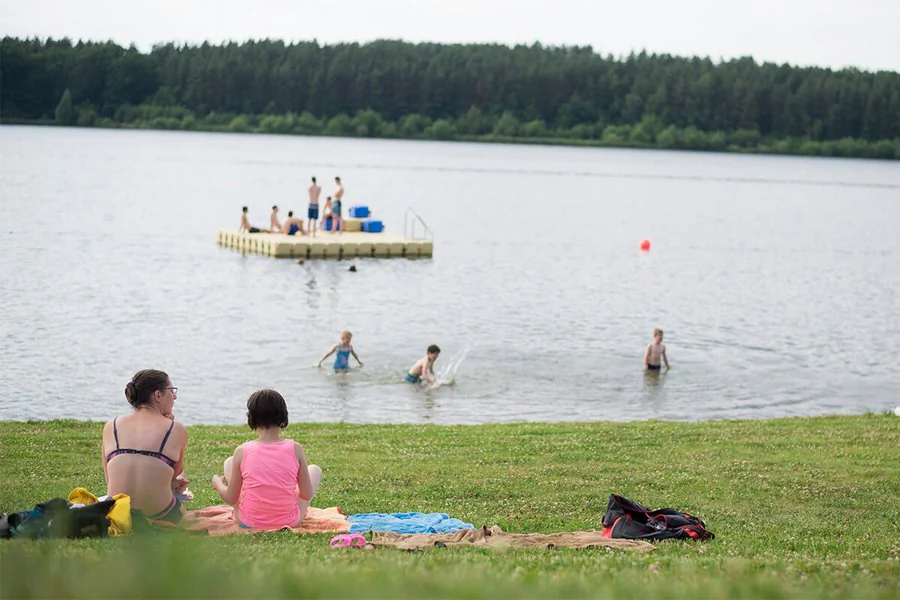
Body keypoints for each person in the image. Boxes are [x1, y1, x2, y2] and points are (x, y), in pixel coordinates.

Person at [212, 389, 322, 531]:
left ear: (251, 418)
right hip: (289, 521)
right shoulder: (295, 449)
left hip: (248, 522)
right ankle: (292, 509)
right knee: (315, 470)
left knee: (229, 461)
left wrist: (218, 482)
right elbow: (306, 494)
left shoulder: (242, 451)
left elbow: (231, 498)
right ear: (284, 416)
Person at [102, 369, 189, 524]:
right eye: (171, 391)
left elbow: (109, 479)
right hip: (160, 514)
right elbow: (176, 473)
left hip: (116, 511)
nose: (174, 397)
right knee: (181, 503)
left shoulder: (111, 426)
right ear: (158, 395)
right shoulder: (175, 429)